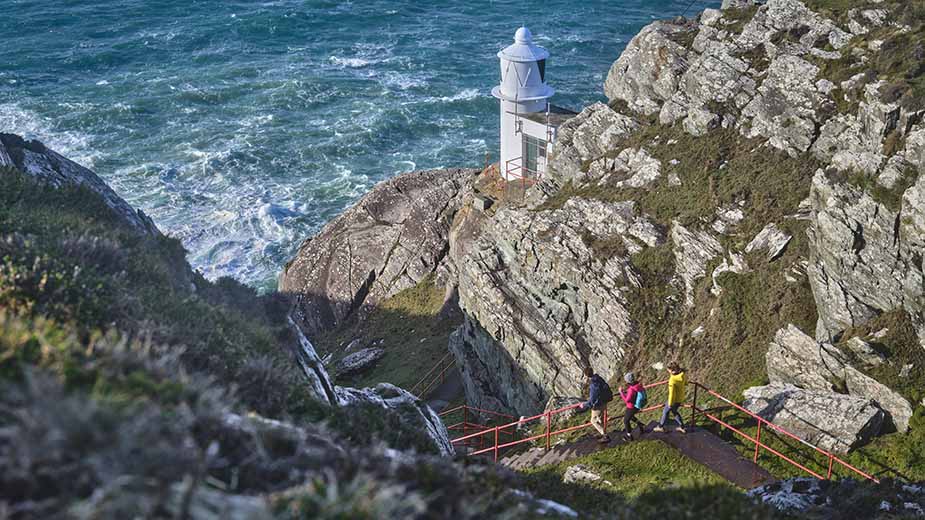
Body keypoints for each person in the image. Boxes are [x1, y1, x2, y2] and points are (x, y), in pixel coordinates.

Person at [578, 366, 613, 444]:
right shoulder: (598, 378)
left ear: (586, 376)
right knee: (600, 419)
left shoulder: (593, 385)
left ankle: (605, 435)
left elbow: (592, 399)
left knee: (593, 421)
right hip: (604, 401)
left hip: (598, 405)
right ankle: (603, 433)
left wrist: (584, 405)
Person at [653, 361, 687, 433]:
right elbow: (686, 382)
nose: (667, 371)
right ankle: (682, 427)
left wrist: (670, 403)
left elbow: (672, 394)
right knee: (674, 412)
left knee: (665, 411)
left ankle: (660, 426)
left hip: (674, 400)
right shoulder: (682, 374)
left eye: (668, 370)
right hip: (680, 397)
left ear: (672, 370)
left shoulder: (672, 380)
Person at [618, 372, 646, 441]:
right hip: (637, 405)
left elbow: (627, 400)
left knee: (626, 420)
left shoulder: (631, 389)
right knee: (630, 416)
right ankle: (640, 424)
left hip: (631, 407)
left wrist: (621, 392)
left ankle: (629, 436)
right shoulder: (638, 385)